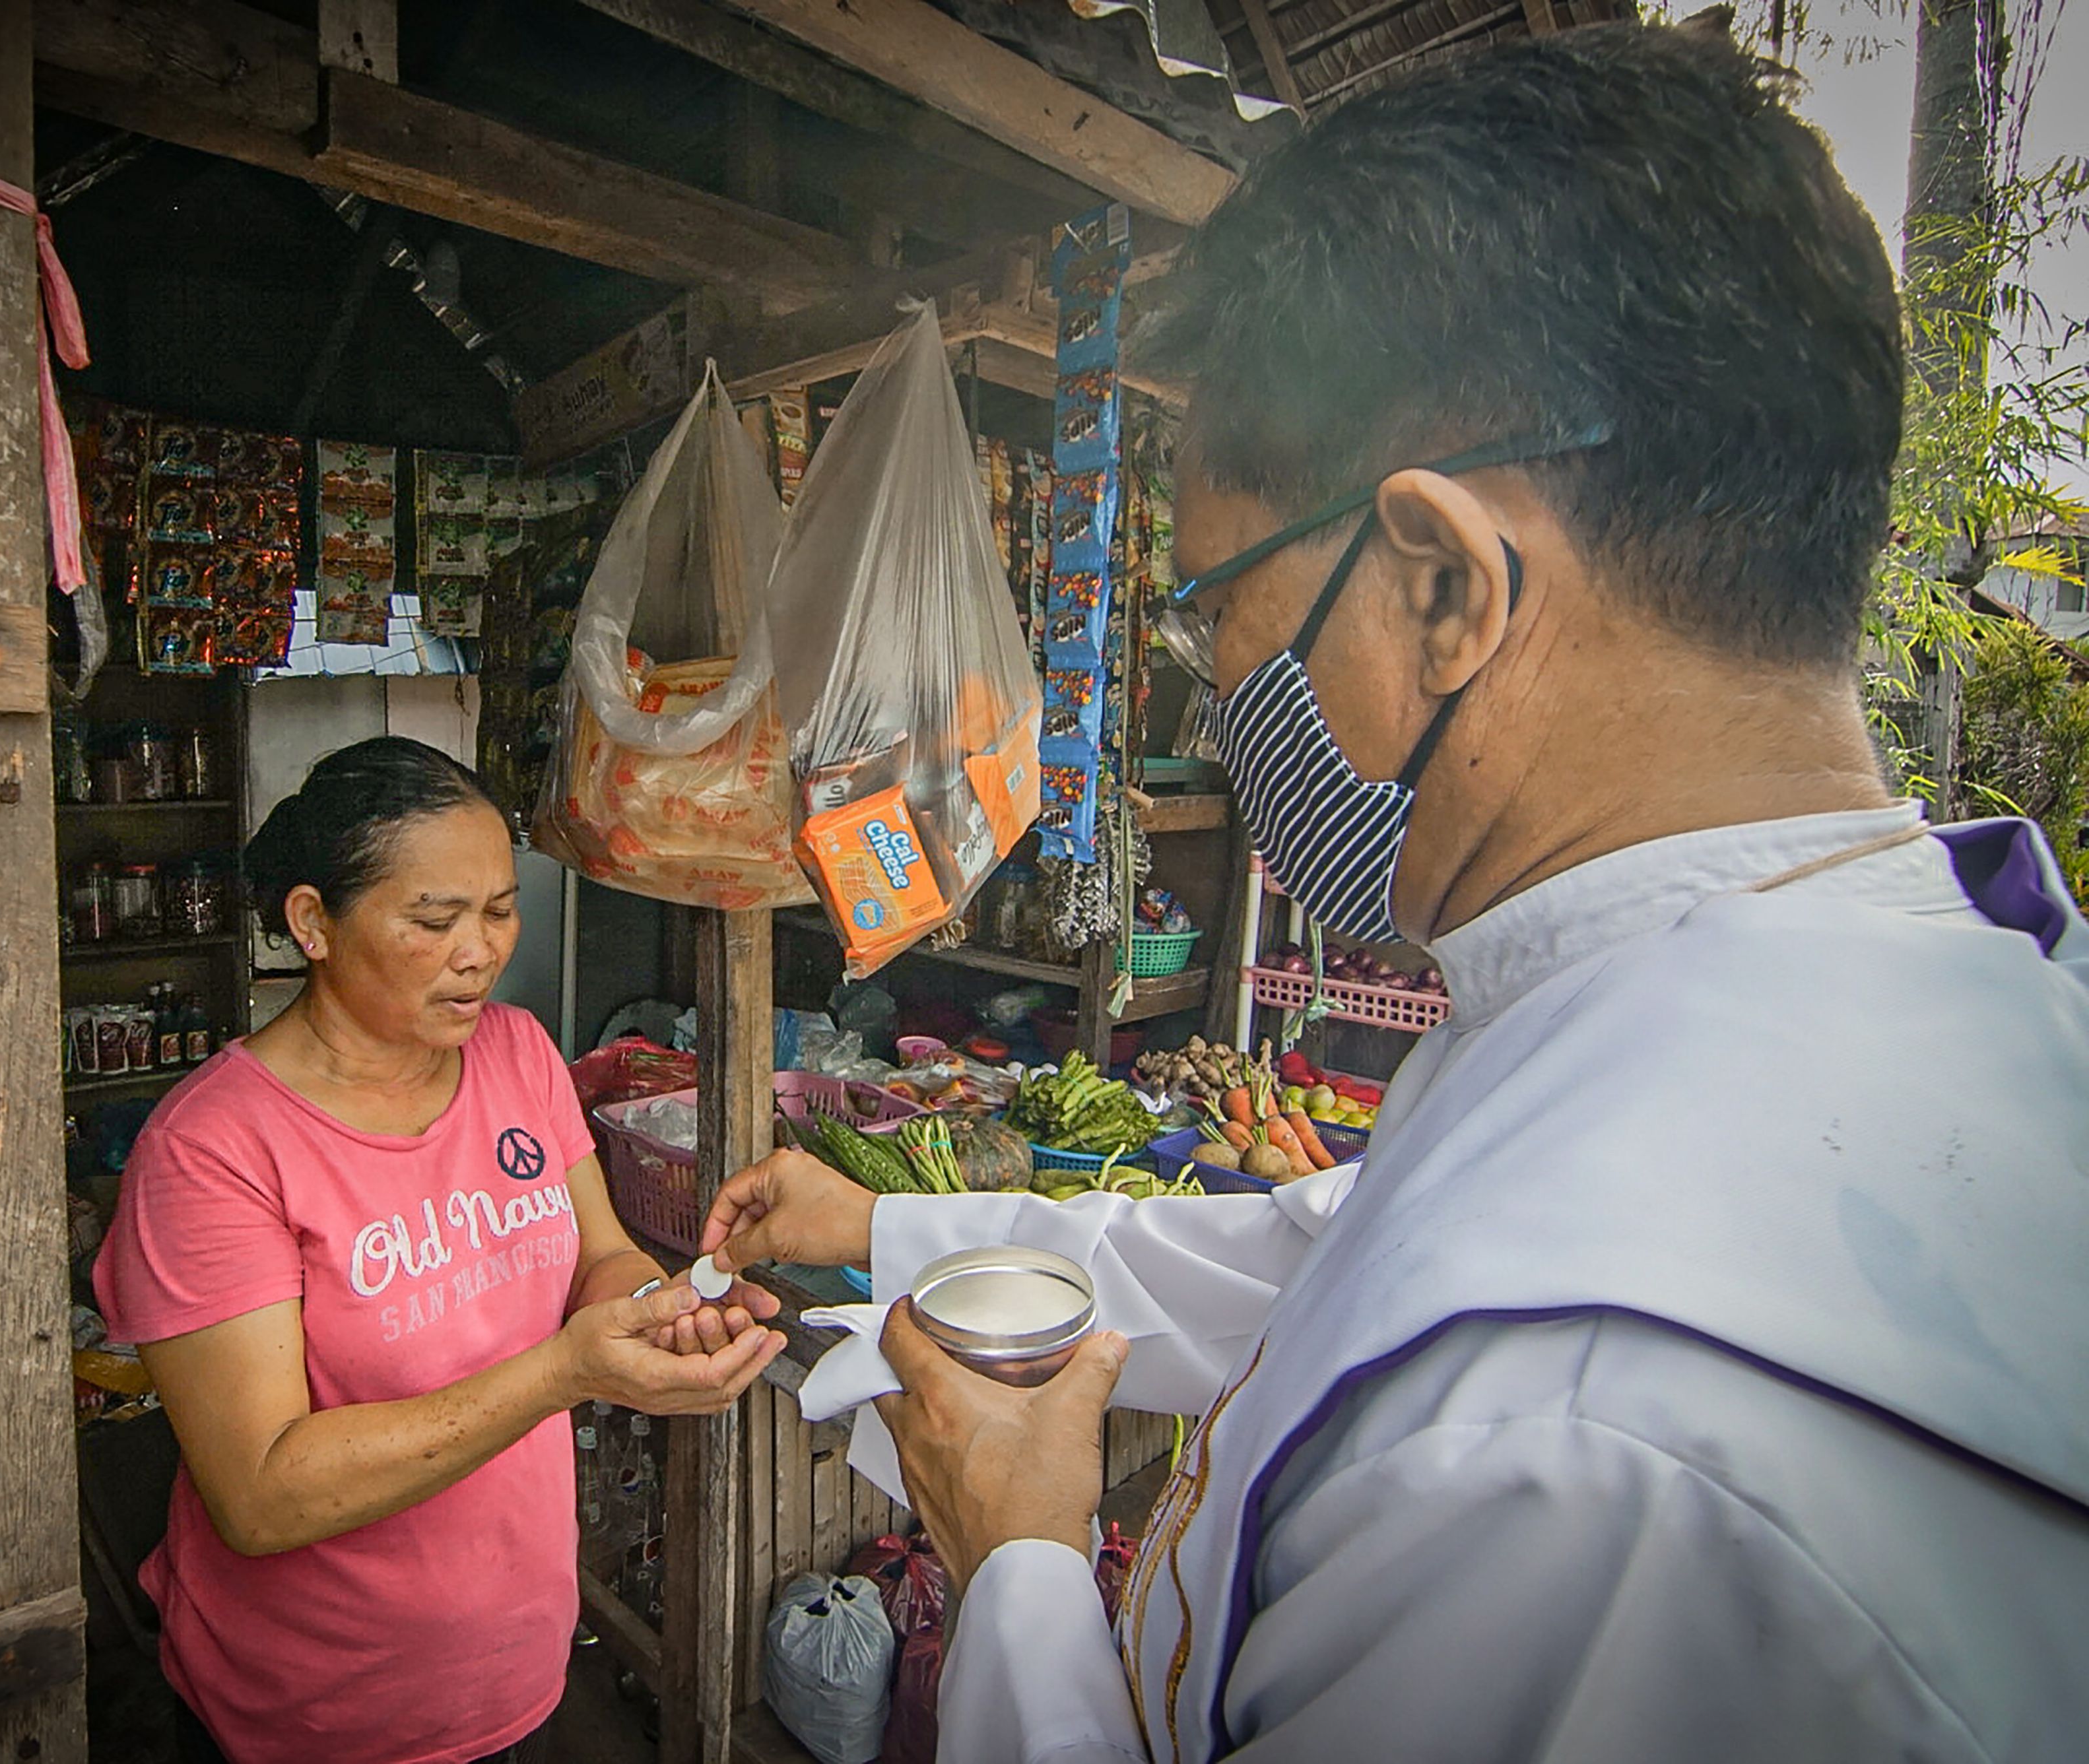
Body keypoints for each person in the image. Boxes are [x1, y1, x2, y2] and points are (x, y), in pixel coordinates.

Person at [702, 26, 2089, 1763]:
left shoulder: (1570, 1452)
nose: (1217, 687)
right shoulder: (1909, 990)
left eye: (1218, 612)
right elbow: (1329, 1259)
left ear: (1440, 584)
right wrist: (894, 1227)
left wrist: (1025, 1570)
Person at [94, 737, 783, 1764]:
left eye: (501, 909)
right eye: (434, 919)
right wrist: (567, 1370)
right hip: (315, 1716)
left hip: (515, 1670)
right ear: (312, 923)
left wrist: (659, 1307)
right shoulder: (214, 1149)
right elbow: (263, 1491)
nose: (482, 950)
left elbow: (597, 1255)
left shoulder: (516, 1055)